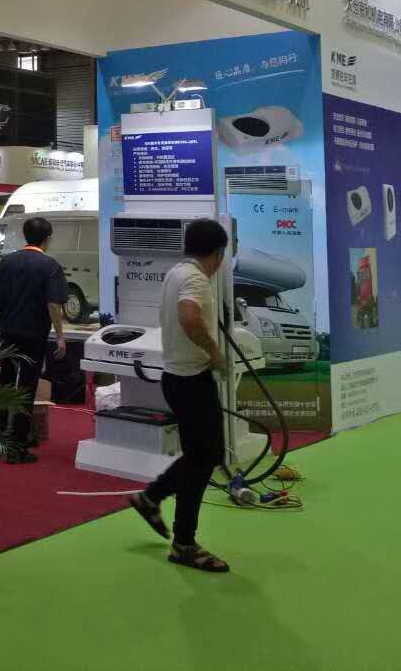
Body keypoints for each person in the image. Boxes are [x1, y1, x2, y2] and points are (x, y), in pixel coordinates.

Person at [128, 218, 232, 573]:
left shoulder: (176, 272)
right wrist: (213, 351)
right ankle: (184, 543)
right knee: (203, 458)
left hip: (177, 377)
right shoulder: (195, 279)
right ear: (218, 253)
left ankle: (151, 498)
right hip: (191, 380)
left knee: (203, 455)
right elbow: (189, 317)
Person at [0, 216, 67, 464]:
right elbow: (53, 304)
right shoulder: (50, 266)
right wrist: (60, 336)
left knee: (6, 383)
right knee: (27, 387)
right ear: (47, 239)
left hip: (9, 331)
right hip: (34, 334)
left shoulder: (7, 262)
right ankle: (17, 447)